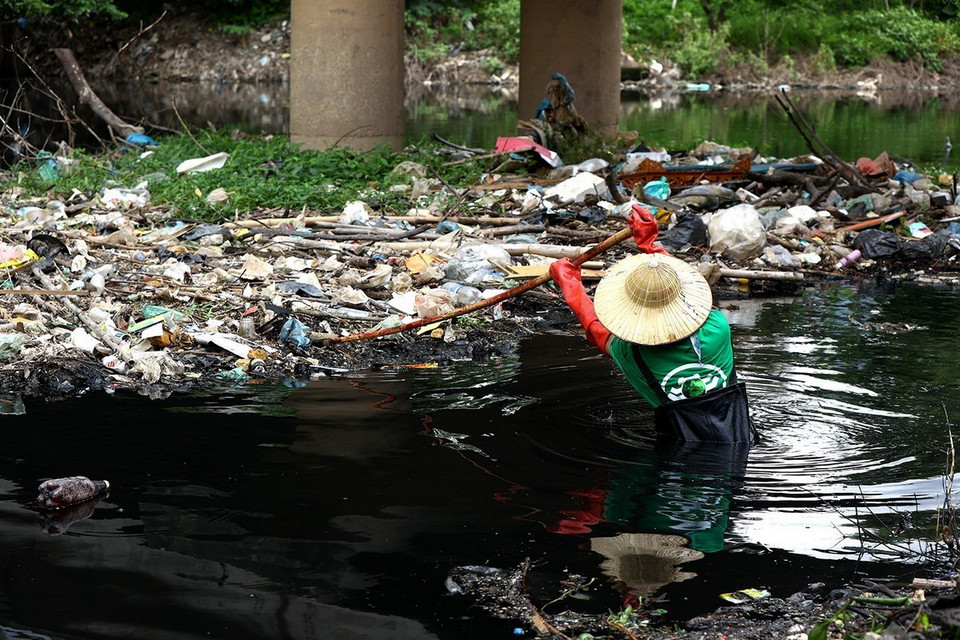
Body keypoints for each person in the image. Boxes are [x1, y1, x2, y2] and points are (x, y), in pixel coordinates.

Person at [549, 205, 755, 443]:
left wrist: (569, 283)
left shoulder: (633, 354)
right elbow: (687, 288)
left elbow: (595, 329)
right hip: (744, 442)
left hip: (681, 458)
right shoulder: (718, 327)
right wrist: (649, 242)